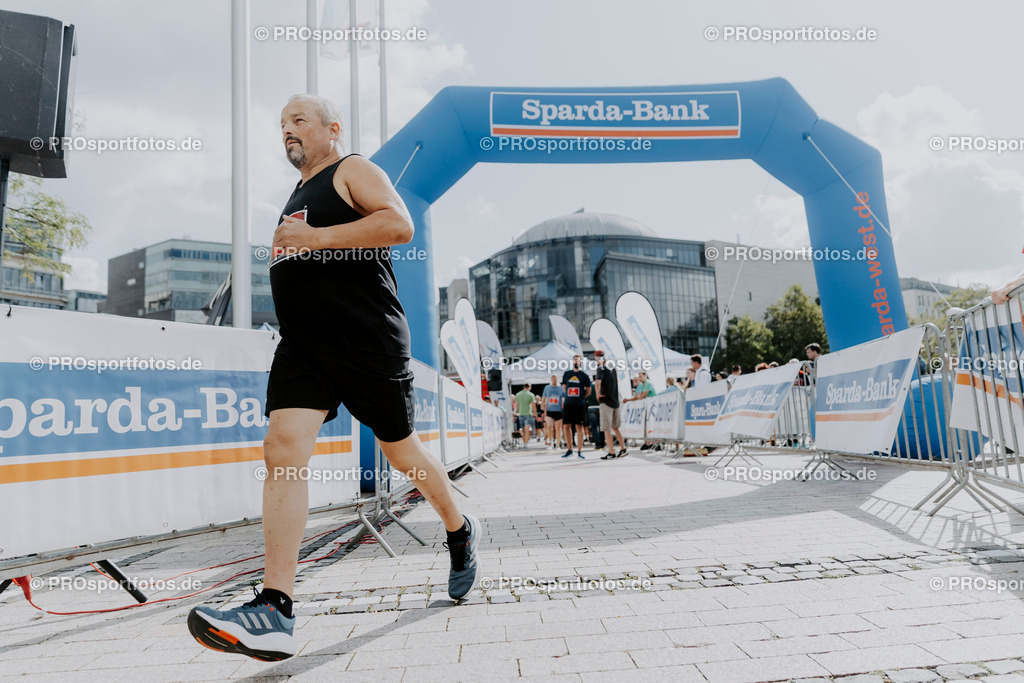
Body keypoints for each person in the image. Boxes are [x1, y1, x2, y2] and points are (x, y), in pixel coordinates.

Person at [188, 94, 480, 661]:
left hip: (366, 340)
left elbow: (399, 224)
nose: (287, 131)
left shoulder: (353, 169)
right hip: (305, 348)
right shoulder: (295, 196)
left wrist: (317, 240)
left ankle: (458, 527)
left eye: (299, 121)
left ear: (331, 128)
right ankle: (274, 610)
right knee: (282, 449)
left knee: (403, 455)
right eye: (281, 125)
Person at [594, 350, 627, 459]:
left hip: (606, 402)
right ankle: (623, 449)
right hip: (615, 401)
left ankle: (612, 452)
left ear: (597, 358)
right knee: (616, 428)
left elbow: (597, 383)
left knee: (606, 429)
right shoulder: (612, 368)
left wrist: (598, 395)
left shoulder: (601, 368)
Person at [561, 354, 592, 459]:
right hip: (568, 404)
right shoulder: (567, 374)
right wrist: (569, 397)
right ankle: (569, 449)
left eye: (578, 360)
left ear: (581, 362)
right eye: (575, 360)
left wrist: (581, 398)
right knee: (566, 426)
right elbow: (564, 387)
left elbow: (588, 391)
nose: (576, 362)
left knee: (579, 427)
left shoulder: (584, 376)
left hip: (579, 404)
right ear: (572, 362)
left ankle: (579, 450)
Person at [624, 371, 658, 450]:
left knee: (651, 425)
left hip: (651, 407)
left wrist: (639, 396)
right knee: (646, 426)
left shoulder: (648, 383)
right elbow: (638, 396)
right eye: (639, 376)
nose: (639, 378)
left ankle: (654, 443)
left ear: (645, 375)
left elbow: (643, 396)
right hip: (646, 407)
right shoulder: (642, 385)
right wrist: (631, 399)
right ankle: (647, 443)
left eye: (640, 376)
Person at [541, 374, 565, 449]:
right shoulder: (547, 388)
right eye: (553, 379)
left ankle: (558, 444)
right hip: (549, 411)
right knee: (549, 427)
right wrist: (543, 408)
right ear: (551, 379)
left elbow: (564, 399)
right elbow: (543, 399)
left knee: (558, 429)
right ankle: (550, 443)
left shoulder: (561, 388)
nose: (555, 380)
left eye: (556, 379)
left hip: (558, 411)